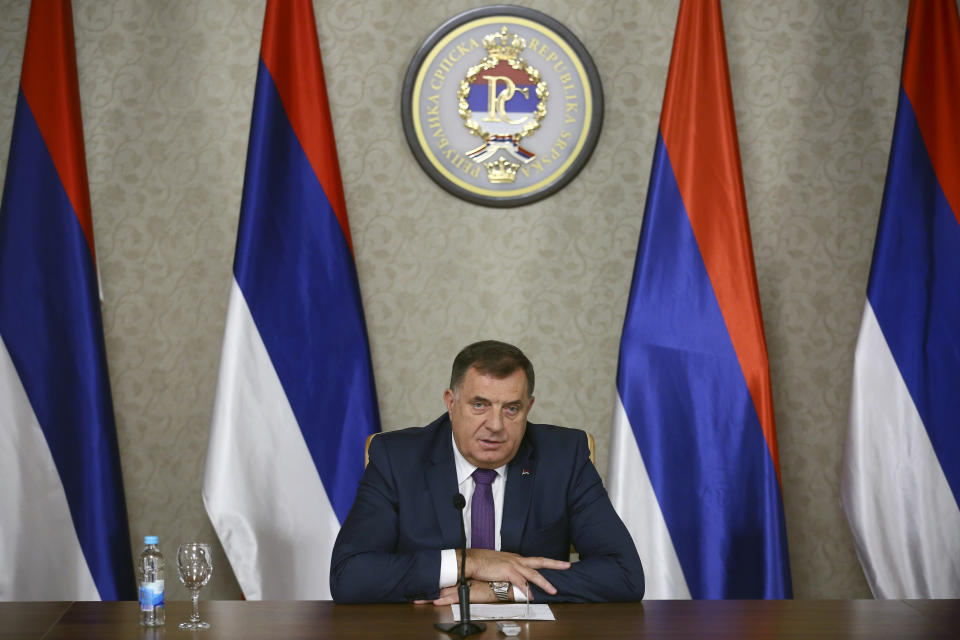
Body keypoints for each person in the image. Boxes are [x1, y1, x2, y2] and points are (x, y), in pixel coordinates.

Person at [330, 340, 644, 604]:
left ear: (528, 408)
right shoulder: (397, 459)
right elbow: (350, 576)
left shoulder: (564, 457)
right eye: (479, 405)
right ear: (451, 403)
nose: (495, 425)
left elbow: (624, 575)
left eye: (511, 408)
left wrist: (501, 590)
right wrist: (472, 561)